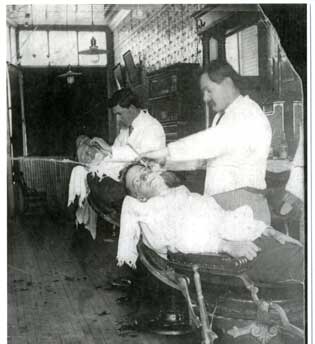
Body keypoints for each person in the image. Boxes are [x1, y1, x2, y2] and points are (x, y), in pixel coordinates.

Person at [117, 163, 303, 285]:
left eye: (144, 171)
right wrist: (226, 246)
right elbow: (183, 241)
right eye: (138, 182)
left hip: (245, 245)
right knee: (302, 261)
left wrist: (269, 231)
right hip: (228, 261)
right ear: (139, 197)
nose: (145, 177)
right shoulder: (152, 211)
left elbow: (225, 218)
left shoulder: (182, 194)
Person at [142, 60, 272, 225]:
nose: (205, 98)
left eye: (209, 91)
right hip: (222, 204)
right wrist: (164, 163)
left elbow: (210, 142)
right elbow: (203, 161)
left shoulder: (247, 113)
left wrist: (165, 151)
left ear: (228, 83)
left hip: (243, 205)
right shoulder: (222, 116)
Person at [86, 88, 166, 212]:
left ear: (132, 109)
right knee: (90, 176)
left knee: (103, 188)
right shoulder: (125, 129)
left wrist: (110, 149)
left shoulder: (152, 128)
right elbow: (115, 152)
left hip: (144, 184)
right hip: (125, 179)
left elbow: (141, 157)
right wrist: (102, 152)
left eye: (119, 114)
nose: (118, 119)